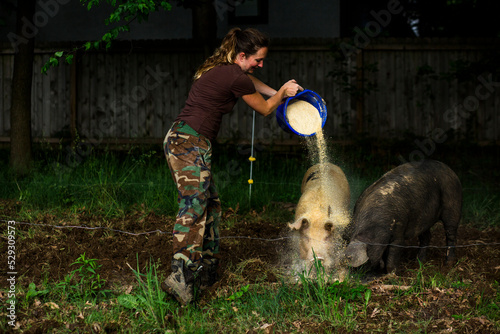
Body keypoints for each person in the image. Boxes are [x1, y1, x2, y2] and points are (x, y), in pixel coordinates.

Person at [162, 27, 303, 305]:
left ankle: (206, 269)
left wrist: (278, 92)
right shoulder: (232, 74)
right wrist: (283, 92)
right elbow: (263, 109)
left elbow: (251, 83)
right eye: (257, 60)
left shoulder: (226, 69)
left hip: (190, 140)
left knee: (210, 203)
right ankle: (180, 275)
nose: (260, 64)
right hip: (187, 141)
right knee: (194, 204)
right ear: (241, 55)